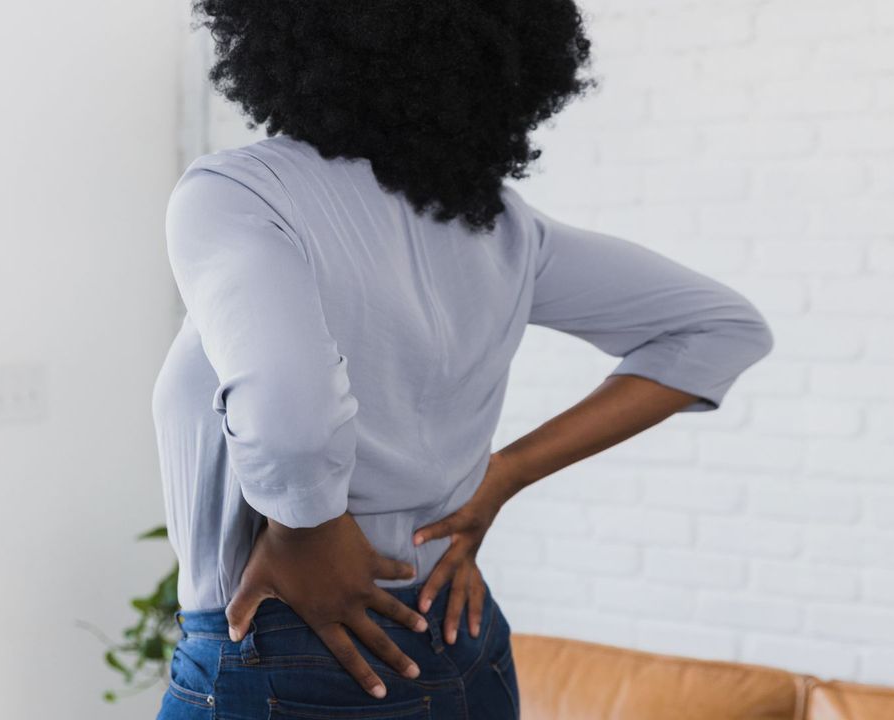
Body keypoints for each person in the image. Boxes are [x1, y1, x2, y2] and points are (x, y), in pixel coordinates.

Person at [152, 0, 774, 717]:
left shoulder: (240, 192)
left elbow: (293, 420)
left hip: (303, 644)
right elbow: (720, 327)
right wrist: (499, 477)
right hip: (465, 644)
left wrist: (304, 529)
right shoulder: (501, 227)